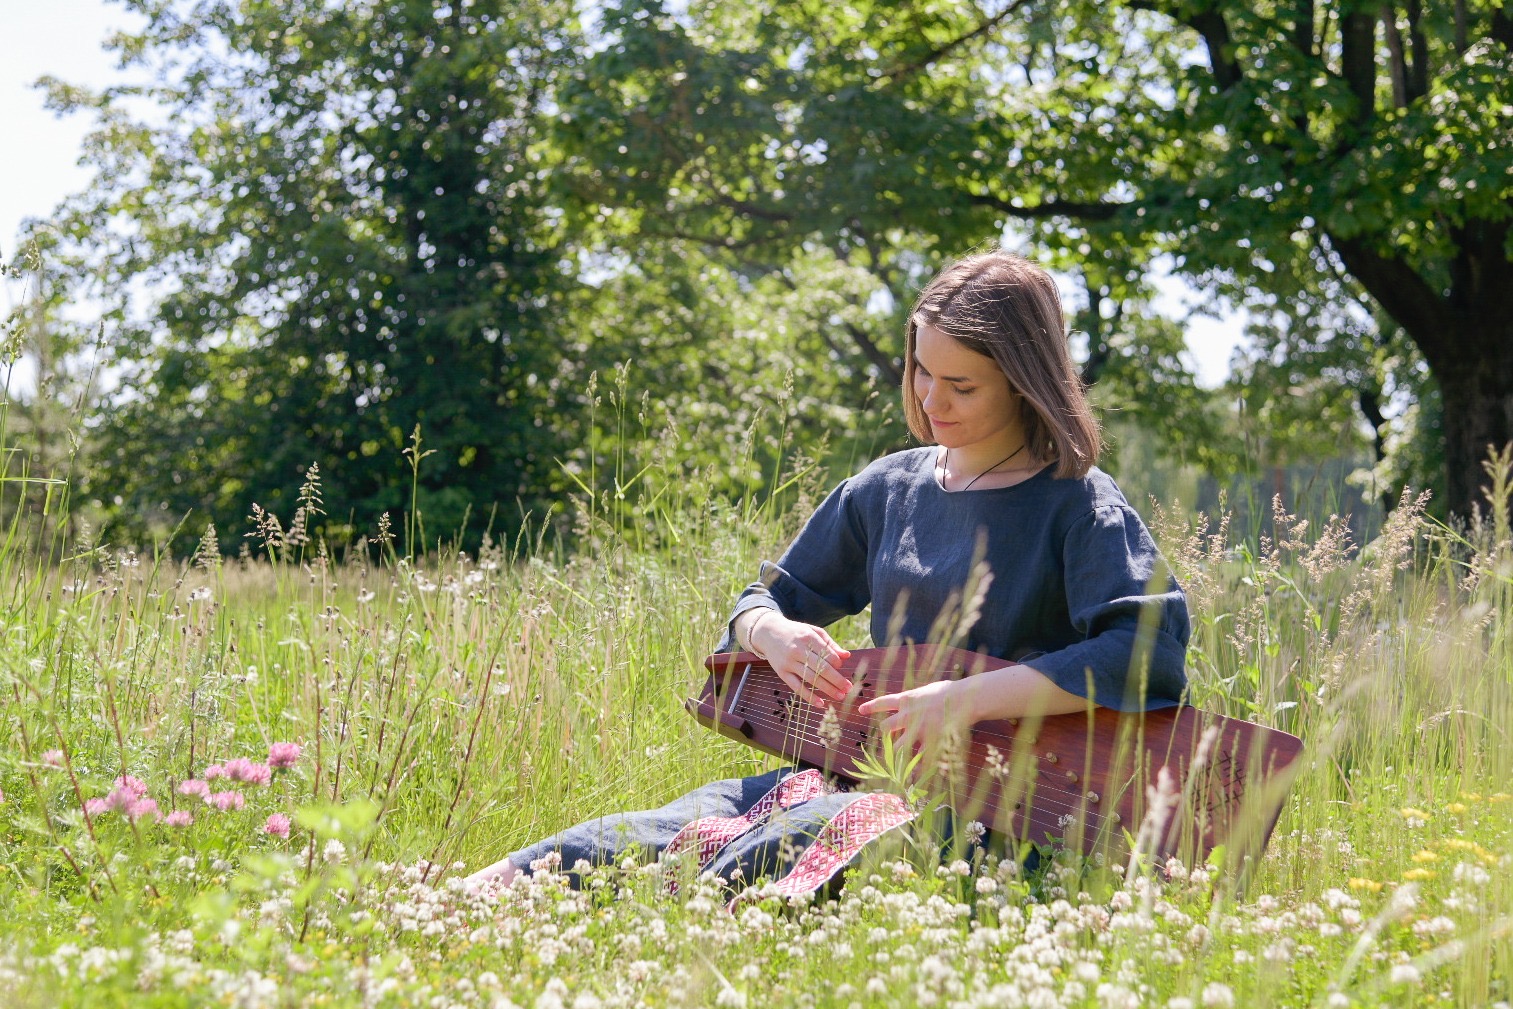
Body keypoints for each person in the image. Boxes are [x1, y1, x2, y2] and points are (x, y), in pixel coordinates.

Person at [466, 250, 1190, 893]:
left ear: (1024, 381)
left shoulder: (1077, 499)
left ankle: (689, 931)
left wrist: (964, 699)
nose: (932, 400)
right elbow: (760, 601)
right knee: (674, 823)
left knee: (792, 837)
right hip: (856, 770)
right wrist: (773, 634)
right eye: (920, 371)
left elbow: (1144, 650)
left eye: (962, 386)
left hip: (999, 807)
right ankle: (471, 897)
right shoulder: (886, 488)